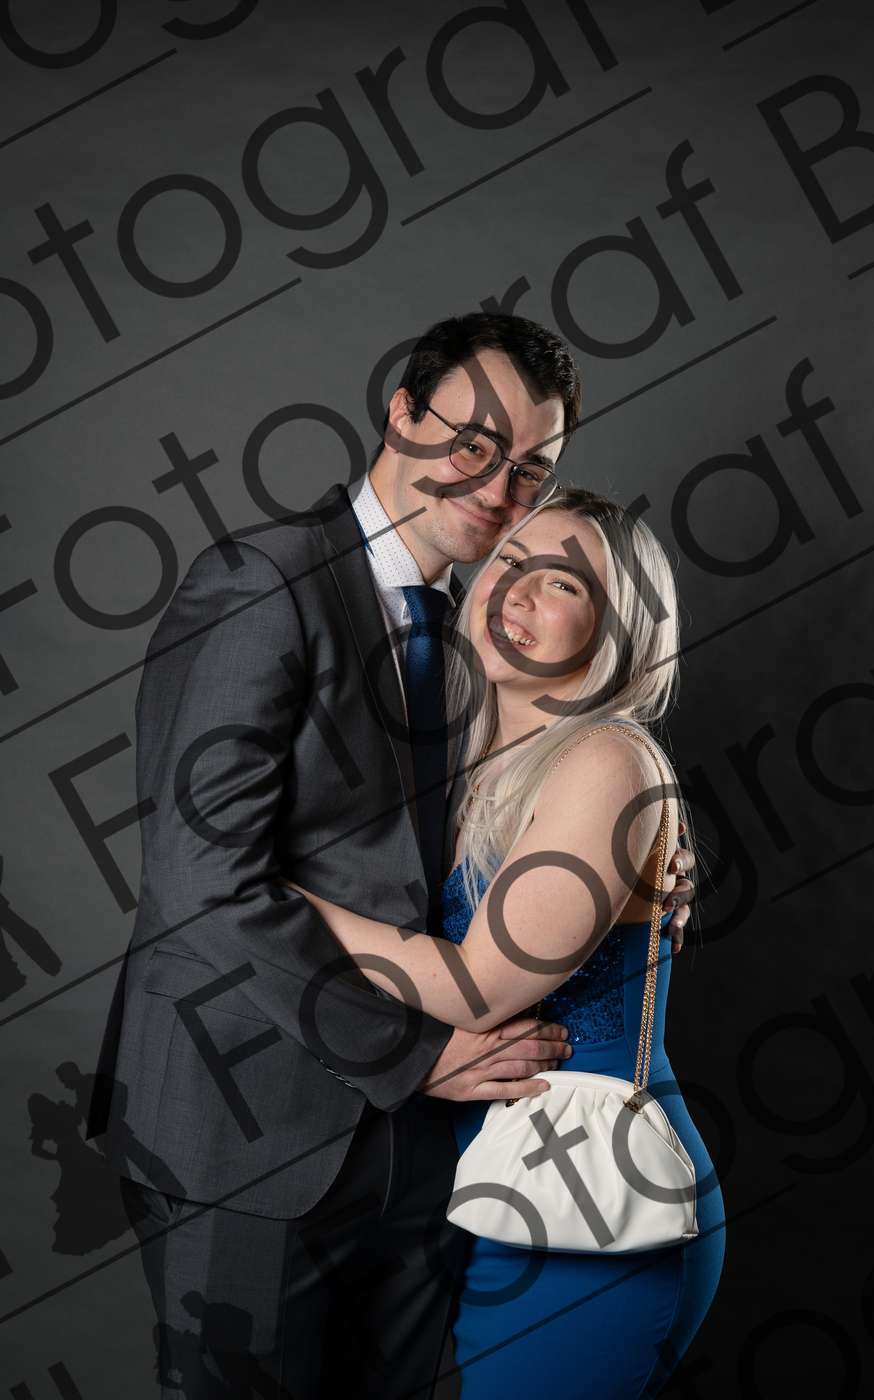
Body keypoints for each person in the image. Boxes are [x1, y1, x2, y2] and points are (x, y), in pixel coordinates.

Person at [86, 312, 696, 1397]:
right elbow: (199, 883)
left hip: (427, 1156)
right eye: (473, 443)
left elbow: (530, 819)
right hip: (246, 1132)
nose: (498, 488)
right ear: (402, 413)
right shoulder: (263, 582)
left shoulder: (478, 634)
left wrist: (648, 862)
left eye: (529, 469)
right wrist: (410, 1054)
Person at [285, 485, 723, 1398]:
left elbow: (477, 987)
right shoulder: (463, 750)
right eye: (512, 561)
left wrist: (272, 904)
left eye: (563, 583)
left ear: (618, 632)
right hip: (485, 1186)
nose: (517, 592)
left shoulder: (607, 760)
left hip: (593, 1208)